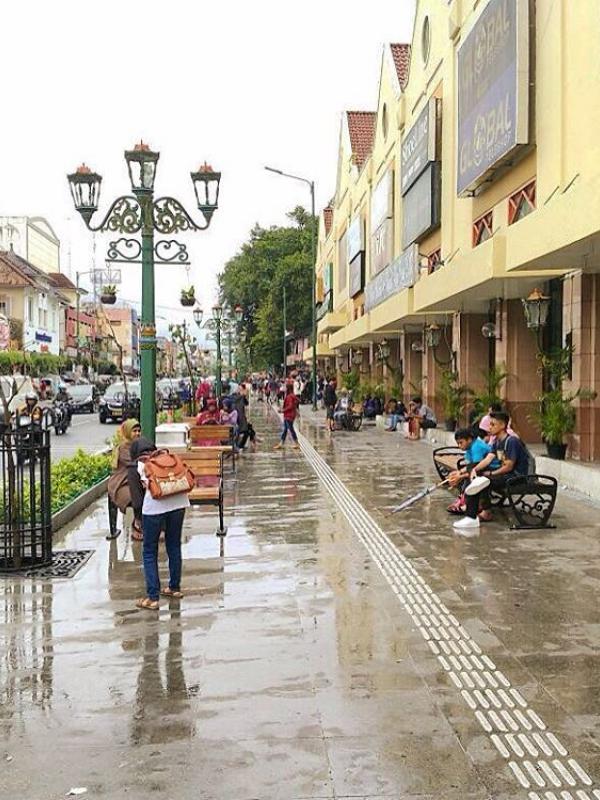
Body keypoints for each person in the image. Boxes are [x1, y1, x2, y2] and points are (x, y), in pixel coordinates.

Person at [128, 437, 190, 610]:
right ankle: (174, 588)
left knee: (149, 551)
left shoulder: (135, 467)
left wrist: (138, 520)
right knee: (174, 546)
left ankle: (153, 598)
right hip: (179, 502)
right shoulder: (165, 458)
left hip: (154, 508)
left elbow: (137, 501)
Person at [453, 411, 530, 534]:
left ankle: (480, 514)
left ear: (502, 425)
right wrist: (475, 470)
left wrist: (489, 474)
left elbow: (509, 467)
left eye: (493, 425)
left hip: (516, 477)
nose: (489, 427)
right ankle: (472, 515)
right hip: (506, 475)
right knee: (477, 476)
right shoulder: (496, 442)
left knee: (482, 480)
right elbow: (488, 459)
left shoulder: (512, 441)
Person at [446, 427, 499, 515]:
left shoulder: (477, 447)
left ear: (469, 439)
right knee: (464, 476)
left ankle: (468, 502)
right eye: (458, 443)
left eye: (461, 442)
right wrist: (459, 472)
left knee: (471, 478)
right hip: (480, 468)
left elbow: (477, 468)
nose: (459, 446)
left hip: (493, 468)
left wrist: (460, 476)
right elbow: (471, 466)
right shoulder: (470, 447)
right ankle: (465, 499)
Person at [107, 418, 141, 540]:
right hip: (121, 483)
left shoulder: (138, 444)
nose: (137, 433)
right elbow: (135, 464)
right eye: (134, 431)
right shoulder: (123, 448)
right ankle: (137, 524)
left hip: (135, 480)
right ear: (127, 432)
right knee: (137, 497)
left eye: (138, 431)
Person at [274, 385, 300, 449]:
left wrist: (283, 410)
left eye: (286, 388)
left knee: (290, 429)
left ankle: (296, 442)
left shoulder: (289, 397)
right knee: (285, 429)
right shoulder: (291, 396)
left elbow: (290, 406)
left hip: (289, 415)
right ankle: (281, 443)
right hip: (289, 415)